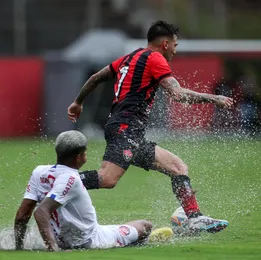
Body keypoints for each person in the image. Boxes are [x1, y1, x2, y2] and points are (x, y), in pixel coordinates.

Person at [67, 20, 232, 233]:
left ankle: (195, 218)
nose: (175, 50)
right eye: (175, 45)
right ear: (165, 44)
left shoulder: (129, 57)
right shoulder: (156, 59)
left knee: (178, 167)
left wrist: (78, 102)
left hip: (128, 131)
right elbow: (178, 94)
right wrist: (214, 98)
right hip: (125, 129)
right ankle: (61, 180)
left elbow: (96, 78)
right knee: (108, 179)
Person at [14, 130, 152, 251]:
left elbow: (22, 216)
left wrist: (19, 247)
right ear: (79, 157)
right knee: (145, 225)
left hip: (61, 240)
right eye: (85, 152)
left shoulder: (39, 172)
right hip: (92, 240)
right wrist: (53, 250)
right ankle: (129, 245)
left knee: (119, 229)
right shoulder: (71, 178)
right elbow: (41, 212)